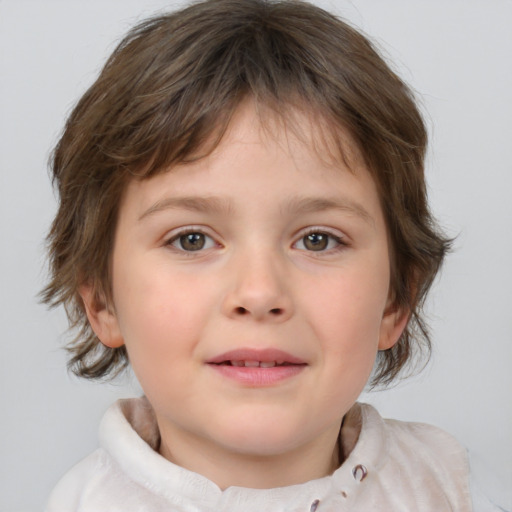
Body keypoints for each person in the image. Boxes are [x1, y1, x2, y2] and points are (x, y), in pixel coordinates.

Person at [42, 0, 501, 510]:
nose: (259, 294)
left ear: (395, 300)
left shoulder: (455, 486)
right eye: (192, 239)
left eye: (318, 239)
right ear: (102, 301)